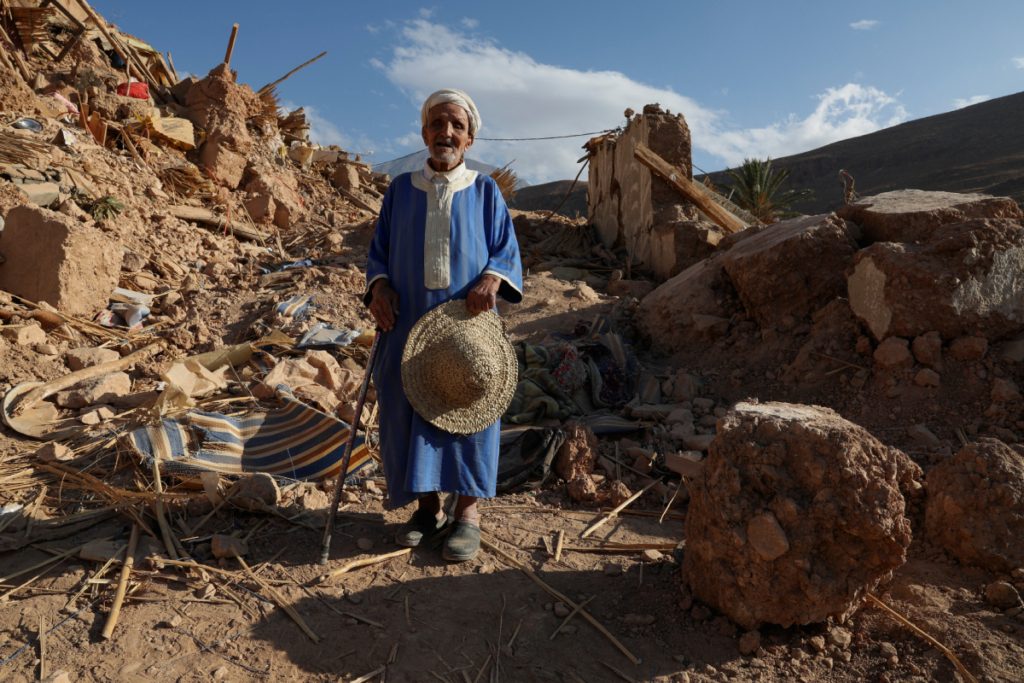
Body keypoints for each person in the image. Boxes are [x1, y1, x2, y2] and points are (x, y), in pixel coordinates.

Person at [364, 89, 523, 561]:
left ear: (470, 138)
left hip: (467, 323)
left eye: (456, 125)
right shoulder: (399, 190)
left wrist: (492, 280)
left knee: (469, 403)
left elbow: (505, 251)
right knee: (406, 405)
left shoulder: (485, 190)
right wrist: (379, 287)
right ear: (423, 134)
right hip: (407, 321)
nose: (446, 133)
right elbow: (378, 252)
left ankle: (467, 514)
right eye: (437, 124)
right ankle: (427, 509)